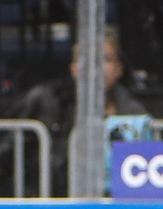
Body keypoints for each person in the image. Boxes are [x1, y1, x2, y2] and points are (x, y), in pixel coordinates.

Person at [13, 25, 149, 193]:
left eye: (105, 59)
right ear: (74, 69)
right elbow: (9, 160)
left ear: (118, 69)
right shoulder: (47, 103)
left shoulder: (136, 114)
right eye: (87, 59)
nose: (96, 68)